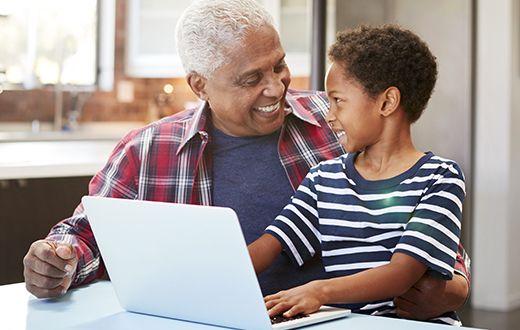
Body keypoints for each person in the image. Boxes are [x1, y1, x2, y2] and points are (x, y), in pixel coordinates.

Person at [22, 0, 469, 321]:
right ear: (200, 85)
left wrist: (452, 287)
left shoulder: (337, 125)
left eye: (278, 66)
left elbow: (419, 223)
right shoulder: (147, 150)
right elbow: (84, 236)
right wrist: (57, 262)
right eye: (251, 78)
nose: (276, 88)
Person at [248, 24, 466, 325]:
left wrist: (319, 290)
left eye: (338, 100)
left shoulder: (440, 178)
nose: (329, 115)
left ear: (387, 102)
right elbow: (270, 244)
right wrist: (214, 273)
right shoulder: (322, 178)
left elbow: (401, 274)